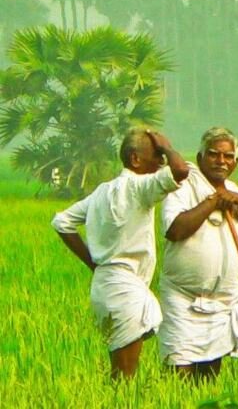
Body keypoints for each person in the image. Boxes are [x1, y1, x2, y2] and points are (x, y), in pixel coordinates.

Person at [51, 128, 189, 379]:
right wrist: (167, 146)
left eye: (162, 155)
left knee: (121, 371)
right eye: (156, 155)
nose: (161, 161)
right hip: (126, 290)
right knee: (124, 377)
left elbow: (62, 222)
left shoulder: (102, 191)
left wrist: (94, 263)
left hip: (105, 284)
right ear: (135, 159)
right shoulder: (139, 186)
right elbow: (180, 171)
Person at [158, 126, 238, 380]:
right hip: (182, 299)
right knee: (179, 373)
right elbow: (175, 230)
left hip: (222, 302)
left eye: (228, 156)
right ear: (200, 158)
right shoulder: (184, 187)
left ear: (236, 162)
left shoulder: (237, 192)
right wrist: (213, 202)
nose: (221, 161)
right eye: (214, 154)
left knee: (209, 378)